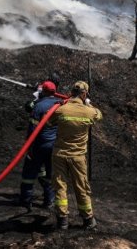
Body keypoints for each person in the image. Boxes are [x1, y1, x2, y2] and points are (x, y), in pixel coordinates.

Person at [49, 81, 102, 230]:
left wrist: (62, 105)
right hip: (78, 157)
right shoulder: (89, 112)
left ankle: (62, 221)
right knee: (81, 187)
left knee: (60, 186)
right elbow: (99, 115)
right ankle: (88, 220)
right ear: (84, 94)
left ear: (72, 92)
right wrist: (88, 104)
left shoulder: (61, 110)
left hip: (59, 154)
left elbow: (48, 123)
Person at [18, 80, 62, 210]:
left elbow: (33, 128)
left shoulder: (39, 106)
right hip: (53, 146)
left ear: (43, 91)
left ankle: (26, 201)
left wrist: (29, 146)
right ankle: (49, 201)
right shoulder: (59, 104)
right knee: (48, 174)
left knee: (28, 174)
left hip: (38, 145)